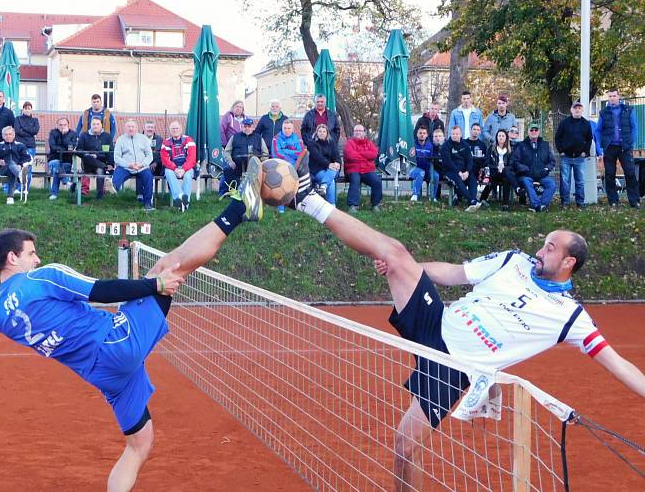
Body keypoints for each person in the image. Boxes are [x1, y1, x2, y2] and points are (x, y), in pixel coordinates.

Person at [270, 176, 645, 492]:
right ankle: (308, 200)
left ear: (568, 263)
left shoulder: (570, 317)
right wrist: (406, 270)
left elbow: (617, 363)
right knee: (396, 252)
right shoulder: (514, 261)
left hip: (453, 367)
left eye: (550, 248)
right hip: (436, 322)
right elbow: (452, 273)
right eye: (543, 242)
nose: (539, 249)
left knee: (405, 444)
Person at [0, 156, 265, 492]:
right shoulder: (42, 277)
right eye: (31, 253)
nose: (36, 258)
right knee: (171, 266)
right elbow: (102, 290)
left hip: (104, 375)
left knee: (139, 445)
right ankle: (242, 207)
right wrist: (154, 286)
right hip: (115, 343)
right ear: (13, 258)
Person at [595, 88, 640, 208]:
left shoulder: (628, 110)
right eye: (609, 96)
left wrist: (631, 143)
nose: (612, 98)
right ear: (608, 98)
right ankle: (613, 201)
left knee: (630, 173)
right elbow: (598, 130)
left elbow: (634, 127)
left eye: (614, 96)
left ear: (618, 96)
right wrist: (600, 144)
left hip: (625, 147)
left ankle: (634, 201)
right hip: (609, 148)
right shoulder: (603, 112)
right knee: (609, 174)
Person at [555, 101, 594, 209]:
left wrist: (585, 152)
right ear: (571, 110)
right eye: (575, 108)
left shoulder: (586, 124)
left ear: (582, 110)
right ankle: (565, 203)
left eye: (579, 108)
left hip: (579, 158)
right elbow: (557, 138)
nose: (577, 110)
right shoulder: (564, 123)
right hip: (566, 157)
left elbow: (589, 139)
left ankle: (580, 203)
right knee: (565, 181)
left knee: (580, 181)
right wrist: (561, 151)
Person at [512, 122, 557, 212]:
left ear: (539, 132)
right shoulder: (521, 145)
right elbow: (515, 161)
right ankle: (536, 205)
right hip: (526, 175)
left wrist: (546, 169)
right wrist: (524, 169)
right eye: (531, 130)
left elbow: (552, 161)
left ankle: (542, 204)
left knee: (552, 184)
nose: (534, 132)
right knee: (526, 182)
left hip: (542, 175)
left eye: (536, 130)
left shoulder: (545, 145)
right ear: (528, 132)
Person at [221, 117, 270, 195]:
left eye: (249, 126)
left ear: (253, 127)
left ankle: (259, 194)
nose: (247, 128)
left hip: (255, 166)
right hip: (237, 165)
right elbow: (227, 152)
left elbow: (265, 153)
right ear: (242, 127)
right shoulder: (235, 137)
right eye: (245, 126)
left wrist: (261, 163)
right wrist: (230, 162)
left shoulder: (259, 138)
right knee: (227, 170)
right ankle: (234, 191)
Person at [113, 120, 154, 211]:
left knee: (148, 178)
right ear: (125, 128)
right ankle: (113, 189)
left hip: (141, 167)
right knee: (117, 175)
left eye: (133, 126)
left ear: (137, 128)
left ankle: (148, 204)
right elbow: (117, 157)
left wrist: (142, 164)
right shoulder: (120, 139)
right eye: (128, 127)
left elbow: (149, 155)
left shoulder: (144, 139)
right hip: (126, 167)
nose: (131, 128)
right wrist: (128, 165)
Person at [272, 119, 309, 213]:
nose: (287, 130)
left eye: (289, 128)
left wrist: (286, 151)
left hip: (295, 165)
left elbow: (300, 153)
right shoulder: (276, 138)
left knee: (300, 181)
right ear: (282, 128)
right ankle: (281, 206)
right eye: (285, 128)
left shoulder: (297, 139)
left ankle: (297, 203)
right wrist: (291, 155)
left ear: (292, 129)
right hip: (281, 165)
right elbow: (277, 154)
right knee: (282, 182)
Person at [342, 124, 382, 212]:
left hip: (367, 170)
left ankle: (375, 205)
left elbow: (374, 154)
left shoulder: (369, 143)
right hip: (352, 170)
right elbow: (350, 156)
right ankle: (353, 205)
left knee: (377, 181)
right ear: (353, 132)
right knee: (355, 180)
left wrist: (359, 154)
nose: (358, 132)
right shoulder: (349, 143)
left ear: (364, 133)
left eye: (360, 131)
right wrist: (365, 156)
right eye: (356, 131)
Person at [160, 121, 197, 212]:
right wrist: (175, 169)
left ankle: (184, 205)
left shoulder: (189, 140)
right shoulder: (165, 143)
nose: (175, 130)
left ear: (181, 129)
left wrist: (183, 169)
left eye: (177, 128)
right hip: (172, 168)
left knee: (188, 176)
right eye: (173, 129)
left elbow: (192, 158)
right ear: (170, 130)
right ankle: (180, 197)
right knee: (168, 172)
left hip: (187, 167)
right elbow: (165, 160)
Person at [440, 126, 479, 211]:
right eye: (453, 134)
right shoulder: (445, 146)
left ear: (461, 134)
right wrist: (459, 172)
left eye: (457, 134)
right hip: (450, 171)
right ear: (450, 134)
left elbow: (470, 160)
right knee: (458, 180)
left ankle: (471, 204)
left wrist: (467, 172)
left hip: (464, 171)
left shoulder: (465, 145)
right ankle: (472, 201)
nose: (455, 135)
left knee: (473, 180)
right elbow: (448, 162)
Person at [0, 126, 28, 205]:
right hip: (2, 170)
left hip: (15, 170)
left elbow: (28, 158)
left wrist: (20, 165)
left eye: (10, 134)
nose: (8, 136)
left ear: (14, 135)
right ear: (3, 136)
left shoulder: (20, 145)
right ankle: (20, 175)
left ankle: (10, 198)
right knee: (10, 162)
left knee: (12, 172)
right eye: (6, 134)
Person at [76, 117, 114, 200]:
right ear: (90, 125)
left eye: (97, 124)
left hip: (100, 163)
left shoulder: (107, 136)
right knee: (87, 157)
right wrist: (89, 154)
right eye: (93, 124)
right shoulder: (84, 135)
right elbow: (78, 150)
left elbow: (111, 152)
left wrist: (110, 164)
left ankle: (99, 196)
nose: (95, 126)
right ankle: (104, 167)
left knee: (100, 171)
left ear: (101, 125)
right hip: (87, 165)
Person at [478, 129, 514, 210]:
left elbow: (512, 164)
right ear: (496, 137)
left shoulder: (510, 149)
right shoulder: (491, 148)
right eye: (499, 136)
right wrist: (497, 167)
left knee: (506, 179)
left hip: (505, 172)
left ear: (506, 138)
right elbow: (487, 163)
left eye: (503, 136)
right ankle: (482, 199)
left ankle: (505, 203)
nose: (501, 138)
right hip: (494, 171)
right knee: (493, 179)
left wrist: (503, 168)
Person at [308, 124, 341, 204]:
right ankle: (332, 206)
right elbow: (318, 157)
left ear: (327, 133)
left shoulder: (332, 143)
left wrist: (338, 163)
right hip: (317, 170)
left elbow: (337, 156)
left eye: (324, 131)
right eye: (320, 131)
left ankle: (324, 186)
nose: (322, 133)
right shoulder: (312, 143)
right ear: (316, 133)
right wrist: (329, 165)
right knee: (331, 182)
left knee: (333, 170)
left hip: (332, 170)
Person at [47, 118, 78, 201]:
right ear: (57, 125)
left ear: (68, 125)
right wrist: (64, 149)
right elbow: (52, 147)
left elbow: (72, 147)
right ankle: (67, 182)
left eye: (65, 125)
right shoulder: (53, 133)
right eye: (60, 125)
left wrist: (65, 136)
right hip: (53, 159)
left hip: (67, 162)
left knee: (56, 170)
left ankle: (54, 194)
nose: (62, 127)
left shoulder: (73, 134)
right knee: (56, 164)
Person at [13, 101, 40, 190]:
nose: (27, 110)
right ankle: (17, 188)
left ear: (31, 110)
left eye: (29, 108)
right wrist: (29, 131)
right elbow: (17, 130)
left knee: (28, 167)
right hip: (19, 147)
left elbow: (35, 131)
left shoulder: (35, 120)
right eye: (25, 108)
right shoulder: (17, 119)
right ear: (22, 109)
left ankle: (25, 189)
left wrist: (23, 128)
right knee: (18, 166)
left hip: (30, 147)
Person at [408, 127, 438, 202]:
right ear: (417, 134)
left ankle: (433, 197)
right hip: (414, 169)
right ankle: (415, 195)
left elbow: (431, 159)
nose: (422, 135)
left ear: (427, 135)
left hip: (427, 170)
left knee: (436, 176)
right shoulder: (412, 144)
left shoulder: (430, 145)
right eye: (420, 133)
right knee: (421, 172)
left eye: (424, 133)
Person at [465, 123, 488, 194]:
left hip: (478, 170)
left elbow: (485, 159)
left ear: (480, 132)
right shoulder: (464, 143)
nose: (476, 131)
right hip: (465, 169)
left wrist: (482, 168)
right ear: (470, 130)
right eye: (474, 129)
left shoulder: (482, 144)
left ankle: (474, 197)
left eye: (478, 130)